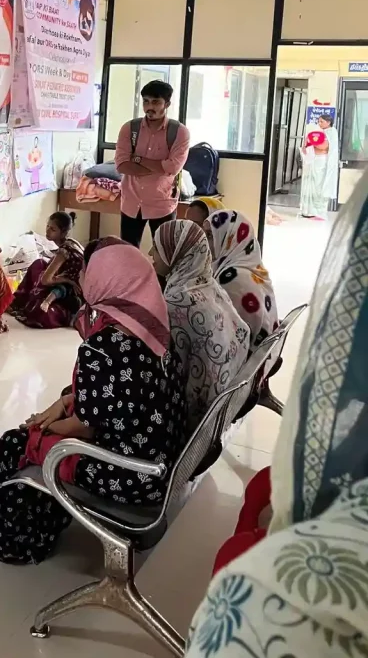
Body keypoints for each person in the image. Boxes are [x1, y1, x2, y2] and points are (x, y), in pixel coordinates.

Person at [184, 171, 368, 658]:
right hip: (256, 370)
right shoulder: (252, 268)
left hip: (233, 385)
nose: (201, 238)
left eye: (206, 231)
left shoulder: (226, 280)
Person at [0, 238, 188, 564]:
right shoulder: (152, 327)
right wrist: (62, 405)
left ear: (106, 279)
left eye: (86, 271)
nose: (81, 277)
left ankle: (6, 533)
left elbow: (85, 428)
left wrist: (45, 426)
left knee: (16, 443)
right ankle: (29, 518)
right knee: (41, 434)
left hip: (129, 473)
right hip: (160, 459)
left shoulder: (104, 345)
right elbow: (116, 397)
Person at [151, 220, 250, 430]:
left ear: (177, 253)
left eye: (157, 247)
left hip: (192, 421)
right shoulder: (209, 285)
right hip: (221, 406)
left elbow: (165, 373)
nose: (151, 252)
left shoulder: (177, 304)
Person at [114, 80, 191, 248]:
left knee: (165, 256)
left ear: (167, 104)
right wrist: (159, 167)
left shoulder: (179, 132)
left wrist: (137, 159)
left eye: (156, 102)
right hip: (131, 203)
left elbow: (173, 168)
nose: (150, 107)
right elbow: (121, 165)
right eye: (146, 101)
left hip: (163, 204)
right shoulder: (129, 128)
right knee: (128, 254)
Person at [204, 210, 279, 350]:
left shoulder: (231, 279)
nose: (203, 241)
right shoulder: (252, 266)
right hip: (263, 354)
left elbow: (219, 332)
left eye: (209, 235)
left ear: (228, 238)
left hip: (249, 363)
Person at [8, 211, 84, 329]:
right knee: (39, 264)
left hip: (72, 295)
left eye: (52, 229)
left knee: (39, 312)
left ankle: (23, 303)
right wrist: (66, 279)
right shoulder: (72, 243)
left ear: (63, 232)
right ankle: (18, 301)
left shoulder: (64, 251)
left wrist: (67, 280)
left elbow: (45, 280)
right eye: (48, 226)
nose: (47, 231)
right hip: (68, 285)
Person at [300, 114, 340, 220]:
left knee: (319, 187)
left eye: (322, 121)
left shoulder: (331, 132)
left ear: (328, 122)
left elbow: (324, 147)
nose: (319, 123)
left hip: (322, 162)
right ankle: (309, 211)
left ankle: (320, 213)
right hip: (314, 160)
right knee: (311, 185)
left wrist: (312, 143)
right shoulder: (320, 131)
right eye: (319, 121)